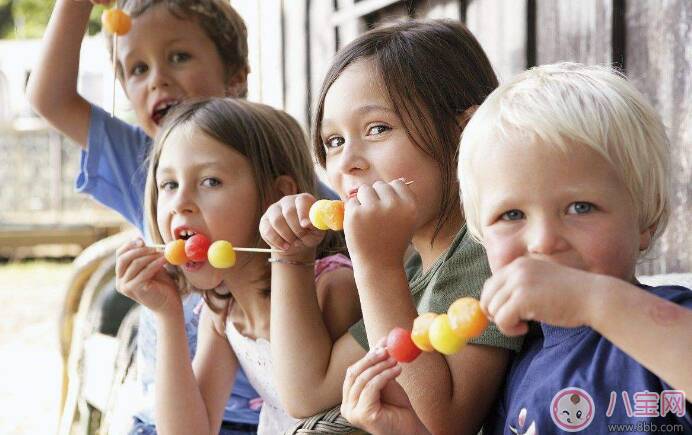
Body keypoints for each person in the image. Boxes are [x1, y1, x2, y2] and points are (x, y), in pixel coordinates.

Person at [343, 62, 692, 434]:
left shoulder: (669, 324)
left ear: (646, 220)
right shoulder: (520, 366)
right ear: (482, 237)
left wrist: (595, 300)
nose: (543, 241)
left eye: (580, 207)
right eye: (511, 215)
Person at [259, 19, 522, 434]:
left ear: (463, 136)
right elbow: (305, 391)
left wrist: (377, 265)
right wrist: (291, 258)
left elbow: (445, 422)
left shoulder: (483, 251)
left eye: (377, 129)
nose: (346, 162)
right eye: (333, 142)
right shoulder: (415, 270)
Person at [25, 1, 260, 433]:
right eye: (137, 69)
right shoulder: (142, 161)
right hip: (164, 414)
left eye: (179, 56)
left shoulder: (270, 169)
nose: (158, 79)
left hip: (265, 418)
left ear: (236, 77)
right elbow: (48, 97)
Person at [115, 97, 361, 435]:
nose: (180, 204)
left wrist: (289, 252)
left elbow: (327, 413)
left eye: (210, 181)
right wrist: (168, 315)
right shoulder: (223, 312)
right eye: (169, 184)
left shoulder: (332, 288)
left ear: (277, 197)